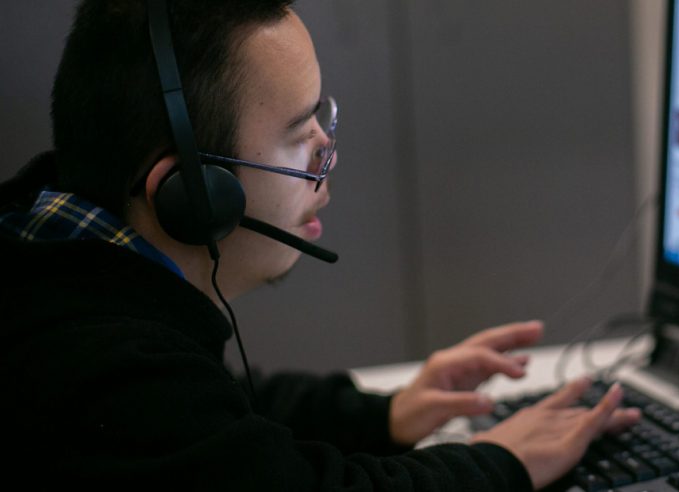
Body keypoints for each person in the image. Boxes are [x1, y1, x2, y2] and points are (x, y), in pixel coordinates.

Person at [0, 0, 640, 490]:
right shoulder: (102, 367)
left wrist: (385, 415)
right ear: (192, 193)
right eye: (297, 135)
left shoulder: (63, 262)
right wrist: (503, 463)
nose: (327, 155)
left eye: (321, 119)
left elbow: (227, 421)